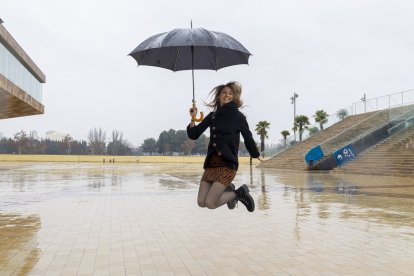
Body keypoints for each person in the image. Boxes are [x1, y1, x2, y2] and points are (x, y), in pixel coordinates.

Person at [187, 81, 264, 212]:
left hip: (227, 164)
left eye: (230, 93)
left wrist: (256, 155)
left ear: (234, 97)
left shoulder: (238, 117)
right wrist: (193, 118)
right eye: (224, 93)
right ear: (218, 96)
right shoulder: (212, 116)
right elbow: (194, 134)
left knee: (210, 203)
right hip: (211, 164)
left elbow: (248, 137)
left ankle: (238, 194)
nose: (227, 95)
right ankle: (232, 191)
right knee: (201, 202)